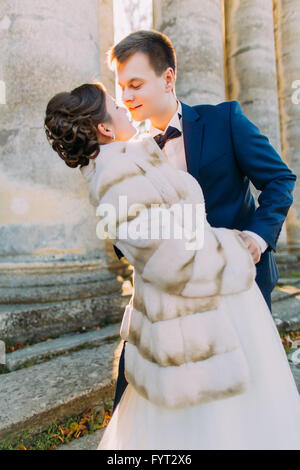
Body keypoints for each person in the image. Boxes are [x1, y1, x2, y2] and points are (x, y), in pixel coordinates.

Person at [44, 82, 300, 450]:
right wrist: (235, 249)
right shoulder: (116, 178)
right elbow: (168, 261)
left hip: (209, 300)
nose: (125, 105)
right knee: (208, 424)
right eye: (116, 103)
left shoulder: (130, 161)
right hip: (189, 314)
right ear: (103, 128)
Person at [107, 29, 298, 414]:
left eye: (135, 84)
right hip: (167, 294)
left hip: (238, 283)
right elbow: (121, 237)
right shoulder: (128, 153)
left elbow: (279, 179)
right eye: (121, 87)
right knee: (142, 392)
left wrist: (258, 240)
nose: (126, 97)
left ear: (168, 78)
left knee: (242, 397)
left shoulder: (225, 120)